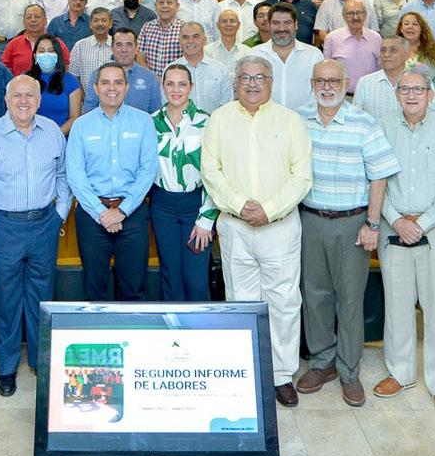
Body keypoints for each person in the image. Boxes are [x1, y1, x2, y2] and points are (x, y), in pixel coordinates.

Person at [202, 57, 314, 406]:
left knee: (283, 301)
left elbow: (302, 176)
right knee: (240, 298)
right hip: (235, 226)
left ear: (271, 82)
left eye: (259, 77)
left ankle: (281, 375)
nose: (252, 84)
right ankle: (246, 369)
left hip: (279, 227)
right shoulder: (219, 120)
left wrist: (269, 209)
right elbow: (211, 171)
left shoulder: (291, 121)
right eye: (245, 77)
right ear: (235, 82)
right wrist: (240, 205)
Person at [294, 60, 398, 406]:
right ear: (312, 84)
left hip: (352, 223)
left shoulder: (364, 123)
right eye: (321, 81)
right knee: (315, 295)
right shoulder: (299, 120)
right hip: (310, 219)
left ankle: (349, 371)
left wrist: (372, 224)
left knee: (350, 298)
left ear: (346, 83)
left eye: (334, 81)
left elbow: (379, 176)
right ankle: (321, 362)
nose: (327, 87)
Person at [0, 76, 71, 397]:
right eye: (17, 96)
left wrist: (59, 214)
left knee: (42, 298)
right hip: (4, 227)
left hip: (44, 225)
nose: (23, 101)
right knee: (8, 299)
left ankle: (41, 362)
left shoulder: (52, 132)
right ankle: (8, 367)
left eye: (30, 95)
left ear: (39, 101)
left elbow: (63, 175)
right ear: (6, 100)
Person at [65, 62, 159, 304]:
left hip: (133, 213)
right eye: (105, 82)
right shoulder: (81, 126)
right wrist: (101, 213)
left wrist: (122, 211)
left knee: (134, 289)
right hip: (92, 214)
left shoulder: (143, 122)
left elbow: (148, 170)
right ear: (95, 88)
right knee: (94, 290)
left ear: (126, 87)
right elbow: (75, 175)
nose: (112, 88)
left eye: (118, 82)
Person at [149, 62, 217, 303]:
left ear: (191, 87)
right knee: (170, 274)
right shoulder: (151, 122)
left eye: (182, 84)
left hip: (195, 205)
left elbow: (216, 173)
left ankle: (200, 326)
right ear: (163, 86)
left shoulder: (207, 122)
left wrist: (207, 218)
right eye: (170, 84)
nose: (176, 90)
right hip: (162, 205)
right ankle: (173, 326)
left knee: (195, 277)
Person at [31, 34, 82, 131]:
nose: (46, 55)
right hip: (30, 136)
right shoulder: (26, 79)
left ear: (58, 55)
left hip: (61, 135)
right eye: (41, 51)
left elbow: (74, 117)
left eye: (51, 51)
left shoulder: (71, 81)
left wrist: (55, 135)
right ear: (35, 56)